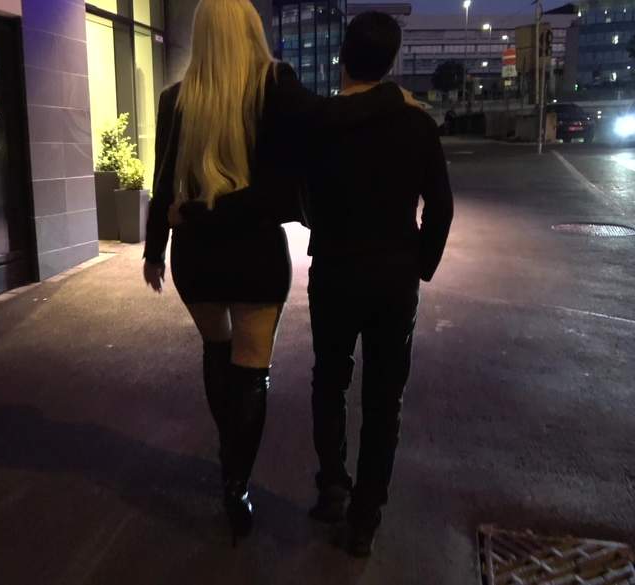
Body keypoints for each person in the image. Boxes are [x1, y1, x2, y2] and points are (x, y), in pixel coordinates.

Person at [141, 0, 407, 545]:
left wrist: (155, 248)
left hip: (196, 256)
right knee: (251, 370)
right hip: (255, 254)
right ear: (250, 30)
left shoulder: (175, 100)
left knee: (216, 351)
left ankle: (230, 456)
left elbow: (162, 179)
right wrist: (388, 97)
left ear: (202, 36)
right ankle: (236, 482)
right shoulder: (274, 86)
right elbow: (322, 130)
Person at [304, 12, 454, 557]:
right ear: (391, 62)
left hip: (335, 271)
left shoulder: (321, 122)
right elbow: (441, 207)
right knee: (384, 399)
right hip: (394, 276)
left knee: (330, 382)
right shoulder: (416, 123)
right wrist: (420, 263)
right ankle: (365, 517)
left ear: (344, 56)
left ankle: (333, 487)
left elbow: (304, 199)